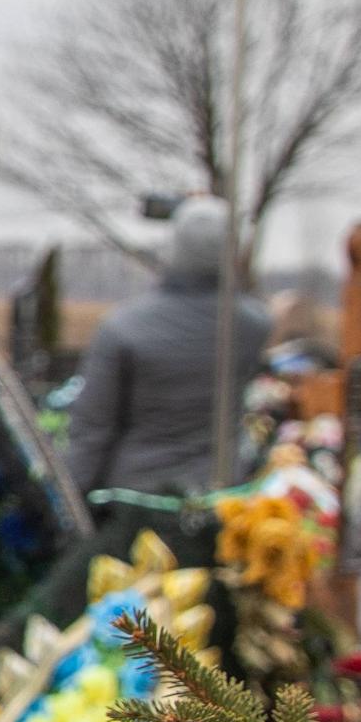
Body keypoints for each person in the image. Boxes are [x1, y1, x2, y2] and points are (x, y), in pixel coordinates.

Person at [65, 196, 271, 497]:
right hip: (219, 492)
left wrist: (71, 496)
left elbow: (92, 430)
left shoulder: (122, 328)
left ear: (174, 246)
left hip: (134, 496)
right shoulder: (253, 326)